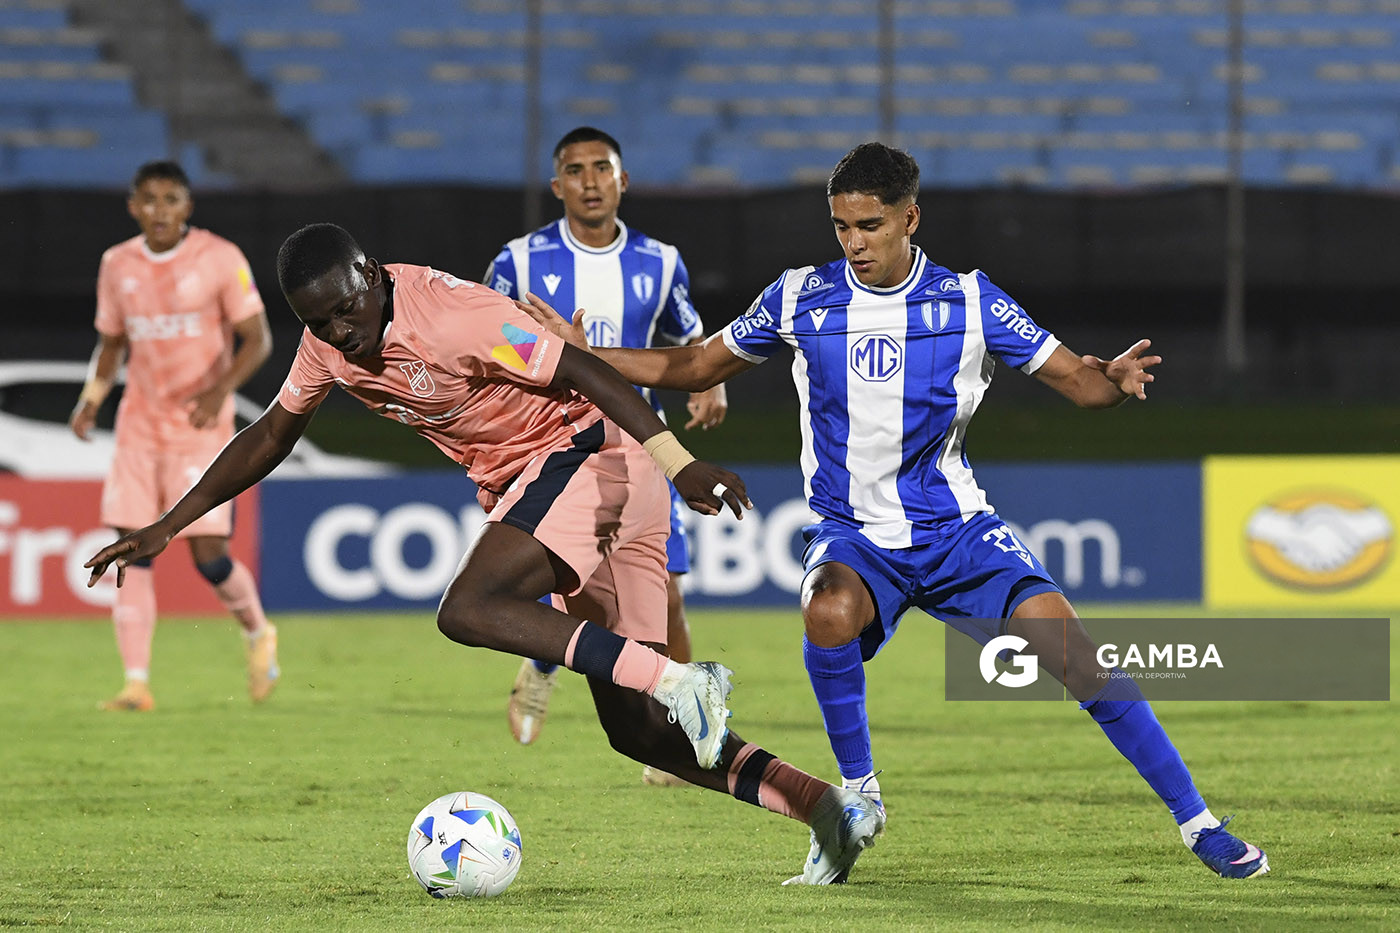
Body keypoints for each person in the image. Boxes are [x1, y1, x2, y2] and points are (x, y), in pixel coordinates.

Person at [518, 142, 1270, 880]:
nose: (854, 243)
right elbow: (691, 365)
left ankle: (1199, 823)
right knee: (826, 609)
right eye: (841, 227)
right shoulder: (799, 296)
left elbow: (1080, 382)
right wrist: (587, 355)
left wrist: (1114, 379)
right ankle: (860, 797)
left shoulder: (971, 301)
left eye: (870, 226)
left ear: (910, 219)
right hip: (854, 538)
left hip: (959, 533)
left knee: (1079, 659)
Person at [84, 222, 885, 886]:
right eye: (318, 321)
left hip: (585, 457)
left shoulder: (451, 313)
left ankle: (683, 678)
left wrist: (679, 462)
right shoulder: (325, 344)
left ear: (372, 274)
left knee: (467, 608)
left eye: (345, 310)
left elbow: (580, 367)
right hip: (583, 483)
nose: (338, 332)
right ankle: (825, 807)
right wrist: (168, 523)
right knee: (640, 732)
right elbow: (269, 434)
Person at [484, 126, 727, 788]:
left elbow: (692, 339)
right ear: (557, 185)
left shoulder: (661, 262)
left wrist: (710, 382)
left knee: (666, 597)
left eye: (602, 168)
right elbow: (486, 343)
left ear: (623, 180)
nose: (590, 181)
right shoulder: (518, 262)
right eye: (575, 170)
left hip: (643, 451)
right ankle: (544, 663)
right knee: (571, 585)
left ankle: (670, 735)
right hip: (555, 449)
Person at [69, 159, 279, 712]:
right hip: (139, 428)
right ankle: (135, 684)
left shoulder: (219, 257)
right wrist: (91, 400)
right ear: (132, 206)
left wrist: (219, 390)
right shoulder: (117, 264)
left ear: (187, 206)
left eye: (170, 199)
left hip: (200, 430)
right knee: (130, 548)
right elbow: (112, 343)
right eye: (149, 200)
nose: (159, 210)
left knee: (209, 557)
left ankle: (258, 631)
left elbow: (257, 339)